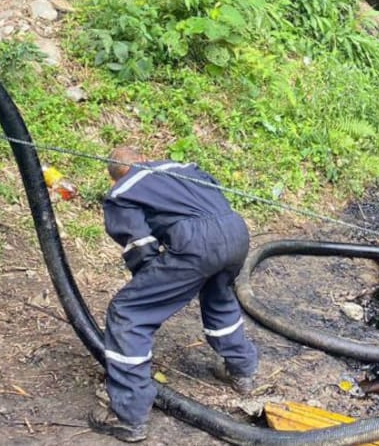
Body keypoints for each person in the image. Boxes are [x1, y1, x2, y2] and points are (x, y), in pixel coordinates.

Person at [88, 146, 259, 443]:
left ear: (115, 176)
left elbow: (139, 246)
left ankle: (129, 416)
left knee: (128, 313)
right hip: (236, 231)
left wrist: (154, 284)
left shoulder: (122, 191)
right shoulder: (182, 167)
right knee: (219, 296)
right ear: (143, 158)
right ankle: (242, 371)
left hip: (197, 242)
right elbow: (213, 196)